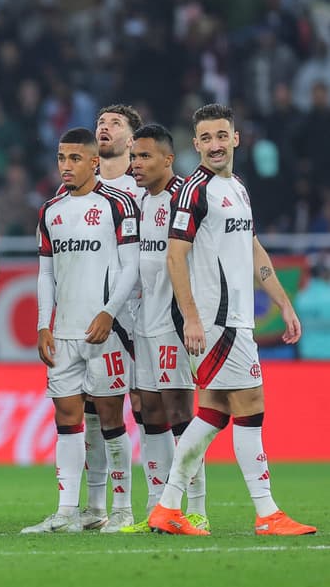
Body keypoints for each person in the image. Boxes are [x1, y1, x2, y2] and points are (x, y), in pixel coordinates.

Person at [148, 104, 317, 536]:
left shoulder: (237, 188)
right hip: (216, 320)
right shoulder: (193, 190)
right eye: (206, 138)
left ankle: (167, 506)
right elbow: (175, 255)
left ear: (236, 138)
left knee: (213, 413)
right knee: (251, 408)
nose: (215, 145)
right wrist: (191, 318)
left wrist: (282, 301)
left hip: (236, 317)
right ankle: (266, 513)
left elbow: (253, 248)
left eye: (222, 136)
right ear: (196, 144)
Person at [23, 127, 140, 534]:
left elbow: (132, 266)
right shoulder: (50, 209)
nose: (65, 166)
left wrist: (109, 312)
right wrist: (43, 323)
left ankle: (122, 508)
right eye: (61, 158)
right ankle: (68, 512)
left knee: (110, 416)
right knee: (68, 418)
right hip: (65, 331)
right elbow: (45, 274)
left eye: (75, 159)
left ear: (94, 162)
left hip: (105, 330)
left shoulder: (119, 203)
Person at [119, 124, 208, 533]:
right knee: (149, 414)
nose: (135, 164)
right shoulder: (138, 202)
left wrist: (192, 315)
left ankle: (196, 508)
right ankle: (157, 507)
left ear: (167, 160)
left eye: (144, 157)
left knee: (180, 414)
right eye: (133, 156)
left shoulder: (183, 199)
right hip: (144, 322)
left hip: (175, 323)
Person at [79, 103, 147, 530]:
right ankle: (96, 506)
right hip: (91, 317)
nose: (104, 128)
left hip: (142, 314)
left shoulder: (143, 189)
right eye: (101, 123)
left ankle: (161, 500)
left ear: (132, 139)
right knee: (94, 409)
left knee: (148, 407)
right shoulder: (79, 189)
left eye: (115, 124)